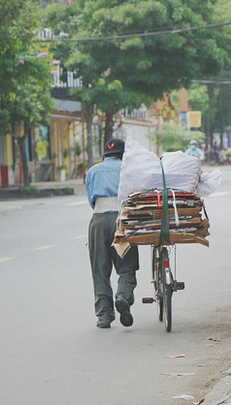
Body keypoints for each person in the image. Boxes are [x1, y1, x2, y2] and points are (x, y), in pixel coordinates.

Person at [85, 138, 139, 329]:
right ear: (122, 154)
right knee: (126, 266)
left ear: (105, 155)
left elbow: (91, 199)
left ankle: (104, 316)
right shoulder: (127, 169)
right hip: (122, 220)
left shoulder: (93, 171)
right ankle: (123, 296)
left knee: (100, 270)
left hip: (98, 220)